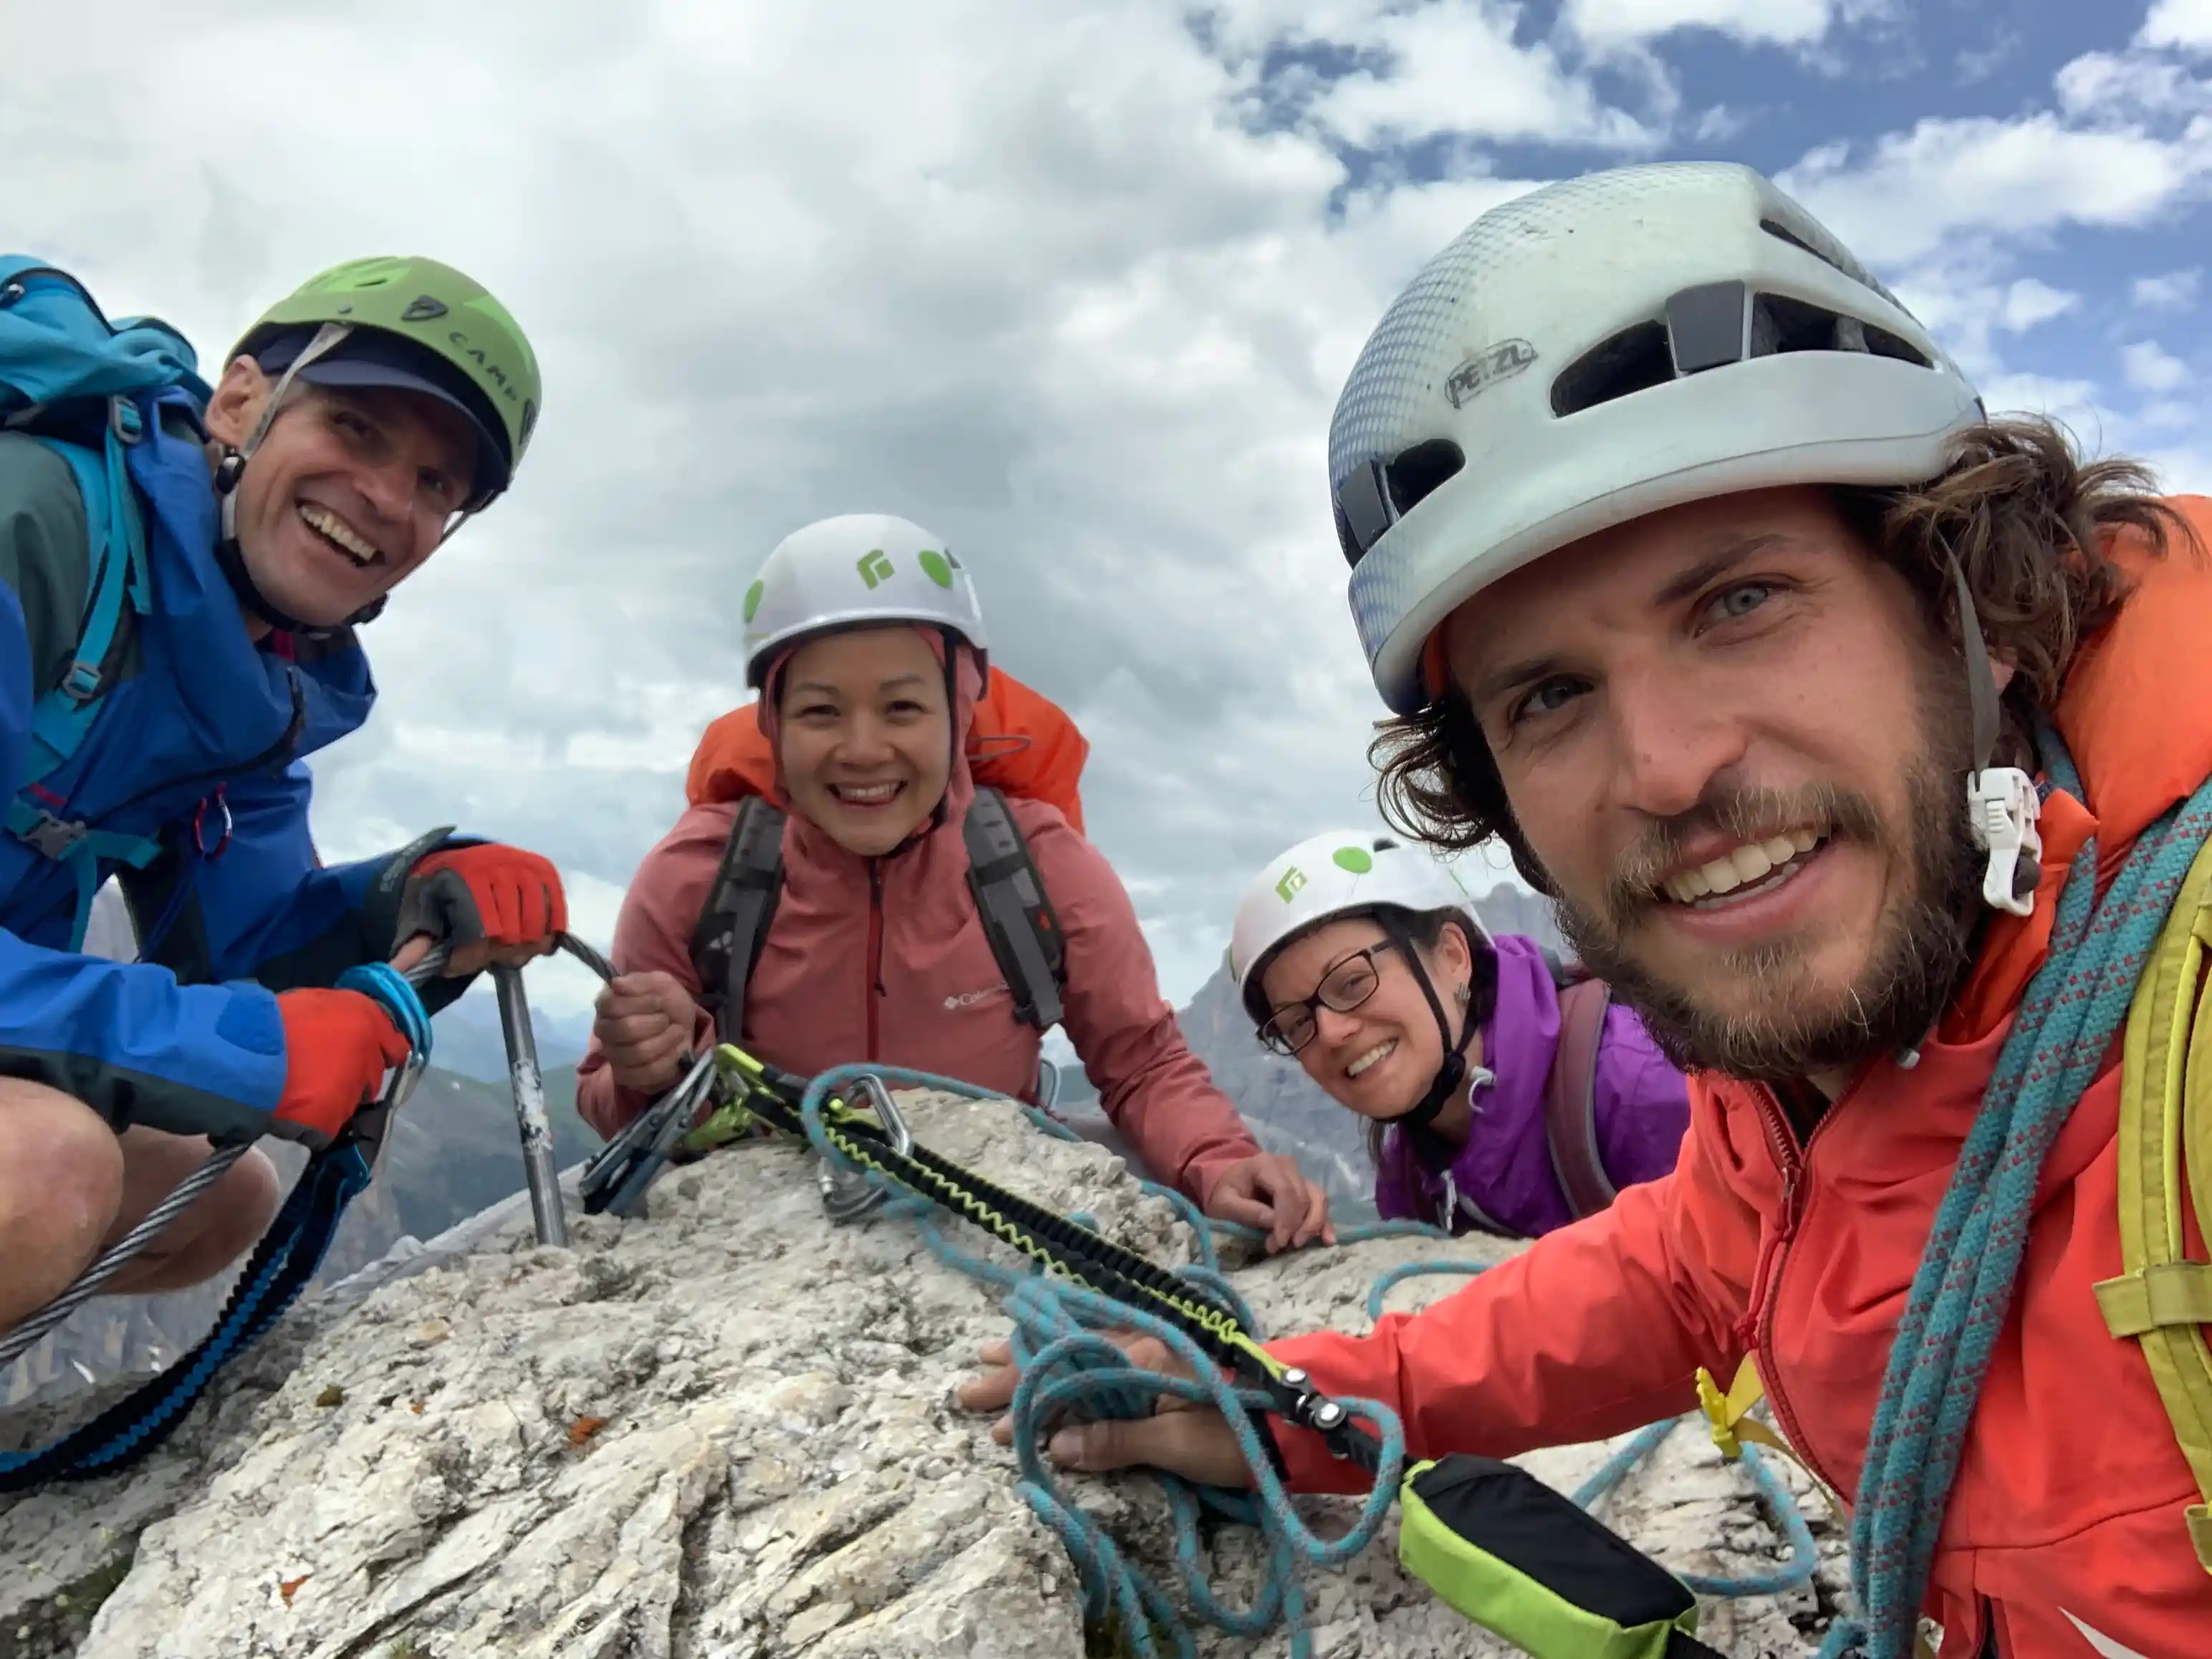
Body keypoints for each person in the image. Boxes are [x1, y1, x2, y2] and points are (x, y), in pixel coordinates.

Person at [961, 161, 2212, 1655]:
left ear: (1972, 608)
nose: (1666, 771)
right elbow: (1681, 1270)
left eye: (1738, 601)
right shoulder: (1807, 1094)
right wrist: (1293, 1401)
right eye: (1548, 694)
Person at [1, 256, 569, 1336]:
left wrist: (405, 901)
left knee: (214, 1195)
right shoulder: (29, 528)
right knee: (44, 1173)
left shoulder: (248, 685)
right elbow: (241, 1026)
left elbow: (245, 943)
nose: (388, 500)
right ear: (242, 402)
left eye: (438, 484)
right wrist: (254, 1051)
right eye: (356, 429)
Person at [577, 512, 1332, 1250]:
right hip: (761, 1234)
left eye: (902, 707)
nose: (863, 749)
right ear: (770, 721)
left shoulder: (1038, 867)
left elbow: (1140, 1061)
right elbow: (611, 1100)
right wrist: (652, 1067)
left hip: (987, 1222)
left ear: (960, 710)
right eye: (819, 711)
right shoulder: (699, 879)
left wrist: (1220, 1163)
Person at [1230, 830, 1687, 1235]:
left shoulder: (1637, 1088)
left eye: (1352, 982)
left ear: (1453, 957)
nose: (1329, 1032)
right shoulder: (1412, 1167)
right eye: (1297, 1023)